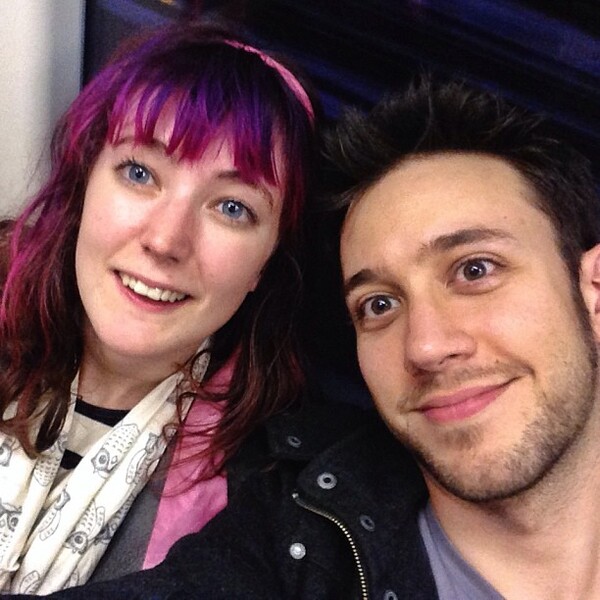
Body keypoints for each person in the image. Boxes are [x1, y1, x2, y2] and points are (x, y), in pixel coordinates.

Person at [11, 79, 600, 600]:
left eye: (475, 270)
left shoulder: (259, 468)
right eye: (379, 304)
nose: (426, 345)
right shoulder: (299, 538)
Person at [0, 19, 316, 595]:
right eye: (140, 173)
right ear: (84, 184)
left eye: (232, 208)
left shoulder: (265, 496)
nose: (166, 241)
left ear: (264, 266)